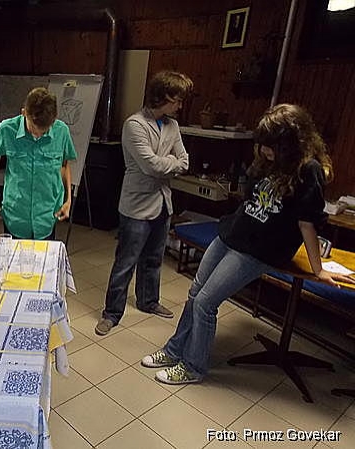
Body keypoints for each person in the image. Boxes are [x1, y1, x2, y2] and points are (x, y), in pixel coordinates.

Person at [141, 103, 354, 385]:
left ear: (291, 143)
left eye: (271, 145)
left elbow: (308, 224)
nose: (264, 150)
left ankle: (193, 367)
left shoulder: (308, 169)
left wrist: (318, 269)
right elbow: (250, 202)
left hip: (259, 249)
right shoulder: (266, 161)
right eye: (263, 144)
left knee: (205, 303)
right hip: (233, 233)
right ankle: (173, 351)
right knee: (195, 293)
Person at [95, 71, 193, 336]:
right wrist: (171, 163)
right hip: (137, 205)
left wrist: (167, 164)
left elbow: (185, 161)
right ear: (163, 96)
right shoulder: (134, 124)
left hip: (163, 203)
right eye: (177, 99)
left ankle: (148, 301)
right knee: (125, 262)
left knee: (153, 259)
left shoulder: (172, 125)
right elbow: (151, 166)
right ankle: (111, 313)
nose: (180, 105)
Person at [0, 87, 77, 240]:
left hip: (47, 215)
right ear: (24, 113)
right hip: (16, 213)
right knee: (14, 255)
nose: (38, 134)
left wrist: (68, 199)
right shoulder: (7, 129)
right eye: (34, 128)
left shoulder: (62, 131)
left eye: (45, 130)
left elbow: (64, 164)